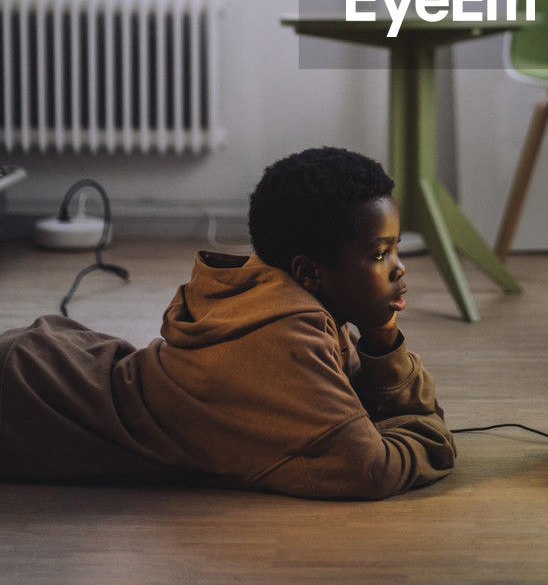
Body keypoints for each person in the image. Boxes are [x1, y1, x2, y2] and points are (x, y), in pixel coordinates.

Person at [0, 147, 456, 500]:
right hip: (30, 403)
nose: (399, 268)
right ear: (309, 273)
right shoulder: (288, 331)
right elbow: (372, 468)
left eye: (395, 250)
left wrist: (381, 336)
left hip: (57, 367)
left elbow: (363, 407)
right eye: (380, 254)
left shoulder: (298, 301)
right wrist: (429, 431)